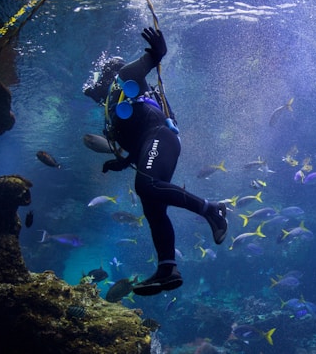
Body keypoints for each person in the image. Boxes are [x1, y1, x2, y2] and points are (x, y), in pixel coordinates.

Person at [84, 27, 228, 296]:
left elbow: (155, 56)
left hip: (161, 137)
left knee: (146, 184)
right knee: (153, 210)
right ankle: (167, 268)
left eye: (98, 85)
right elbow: (138, 142)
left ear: (108, 77)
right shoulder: (114, 110)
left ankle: (212, 210)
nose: (96, 94)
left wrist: (157, 49)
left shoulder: (126, 77)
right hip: (155, 145)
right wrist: (123, 162)